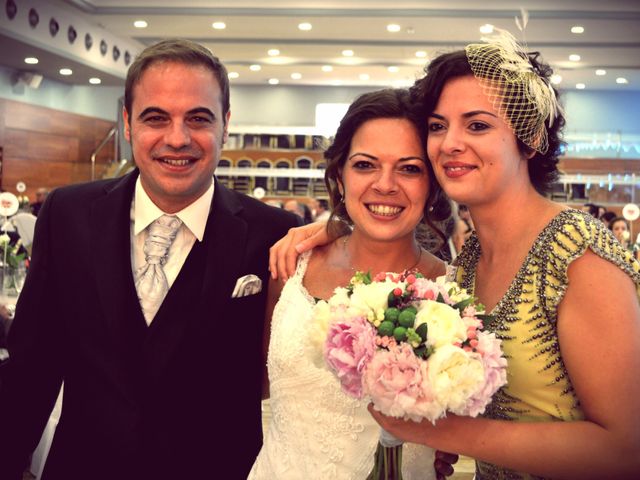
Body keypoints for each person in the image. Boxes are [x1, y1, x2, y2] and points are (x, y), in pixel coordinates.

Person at [269, 30, 640, 479]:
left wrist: (443, 434)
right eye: (438, 126)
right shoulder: (464, 268)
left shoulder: (574, 251)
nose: (450, 143)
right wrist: (335, 224)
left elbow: (626, 449)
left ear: (529, 139)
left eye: (477, 125)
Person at [0, 39, 301, 480]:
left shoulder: (275, 232)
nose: (177, 138)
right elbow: (33, 366)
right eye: (155, 117)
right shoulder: (67, 214)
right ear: (127, 123)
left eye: (198, 118)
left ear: (226, 125)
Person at [250, 89, 456, 479]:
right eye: (365, 165)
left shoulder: (455, 293)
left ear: (432, 185)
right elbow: (256, 388)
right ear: (340, 176)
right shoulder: (291, 267)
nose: (385, 184)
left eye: (409, 168)